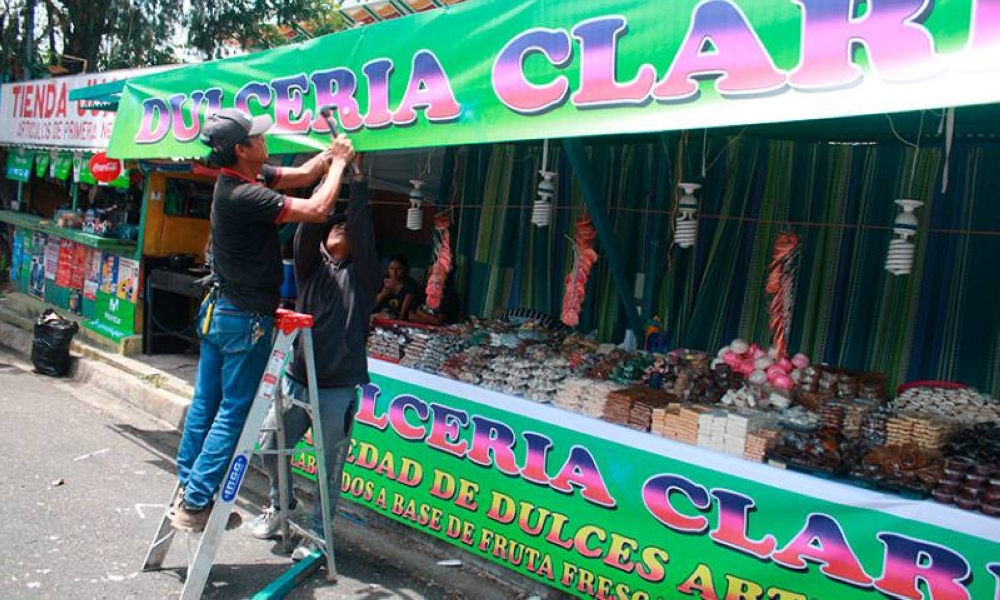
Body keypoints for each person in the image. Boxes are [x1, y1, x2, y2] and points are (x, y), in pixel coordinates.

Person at [170, 109, 355, 532]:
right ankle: (197, 501)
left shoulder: (244, 179)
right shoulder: (243, 195)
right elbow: (319, 206)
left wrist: (331, 154)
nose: (264, 141)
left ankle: (189, 486)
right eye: (257, 137)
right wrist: (343, 163)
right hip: (243, 318)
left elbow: (305, 174)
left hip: (223, 311)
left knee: (206, 403)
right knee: (233, 411)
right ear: (241, 149)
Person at [249, 154, 380, 559]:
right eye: (333, 225)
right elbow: (311, 221)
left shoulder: (365, 277)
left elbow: (360, 226)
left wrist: (358, 187)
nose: (339, 226)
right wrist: (328, 172)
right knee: (269, 445)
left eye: (347, 227)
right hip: (297, 378)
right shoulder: (310, 267)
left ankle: (319, 536)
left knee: (329, 468)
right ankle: (281, 505)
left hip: (337, 388)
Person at [373, 254, 418, 320]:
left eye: (399, 269)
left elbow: (404, 311)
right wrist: (384, 292)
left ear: (405, 270)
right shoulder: (383, 280)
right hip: (380, 314)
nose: (394, 272)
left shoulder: (410, 284)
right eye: (391, 268)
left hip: (397, 317)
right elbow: (373, 305)